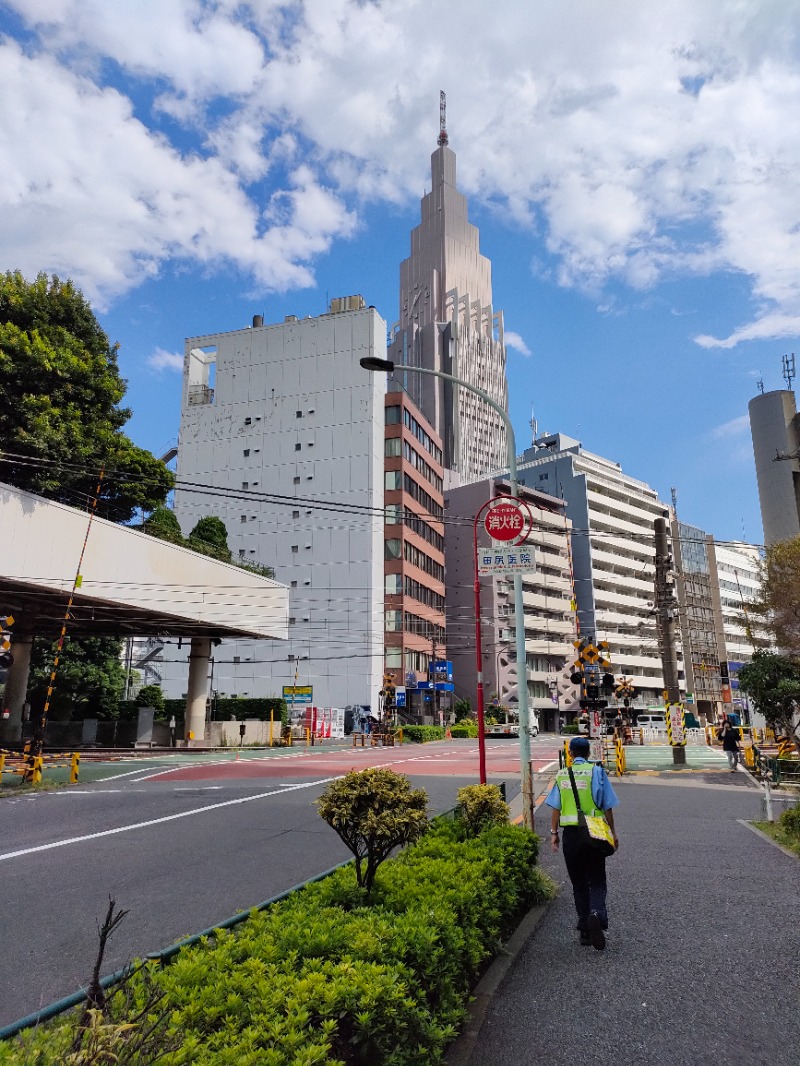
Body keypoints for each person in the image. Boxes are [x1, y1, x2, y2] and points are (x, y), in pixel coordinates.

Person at [545, 736, 619, 950]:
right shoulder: (596, 772)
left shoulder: (562, 775)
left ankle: (585, 931)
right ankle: (596, 913)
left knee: (578, 883)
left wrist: (553, 833)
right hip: (594, 832)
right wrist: (613, 833)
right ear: (588, 754)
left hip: (570, 835)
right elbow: (608, 806)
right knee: (596, 879)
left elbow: (555, 808)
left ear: (570, 754)